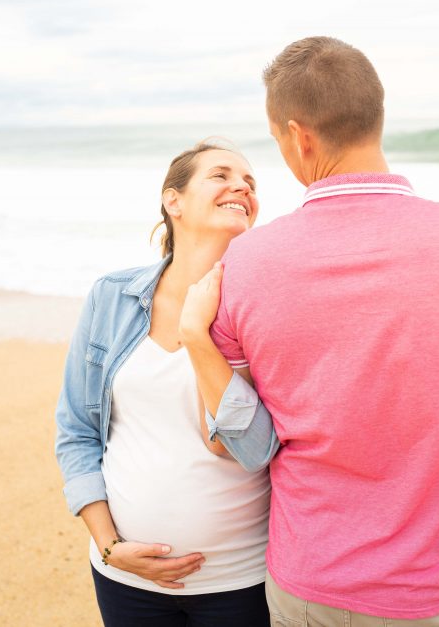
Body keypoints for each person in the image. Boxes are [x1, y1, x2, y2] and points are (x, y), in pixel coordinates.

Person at [179, 37, 439, 626]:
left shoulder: (247, 263)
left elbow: (232, 439)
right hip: (436, 593)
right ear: (376, 116)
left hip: (310, 589)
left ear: (299, 137)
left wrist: (198, 339)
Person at [54, 139, 279, 627]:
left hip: (240, 580)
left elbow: (254, 449)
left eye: (250, 182)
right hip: (125, 580)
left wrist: (198, 334)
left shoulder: (265, 307)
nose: (242, 187)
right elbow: (76, 430)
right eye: (221, 175)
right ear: (173, 201)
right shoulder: (112, 297)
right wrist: (109, 545)